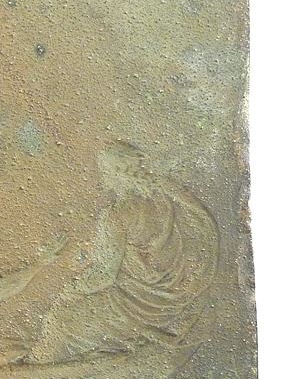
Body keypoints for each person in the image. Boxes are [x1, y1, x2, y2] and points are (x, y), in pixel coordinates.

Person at [27, 142, 219, 364]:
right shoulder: (163, 201)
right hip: (170, 303)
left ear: (117, 173)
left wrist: (72, 289)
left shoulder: (117, 215)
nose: (102, 176)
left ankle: (41, 367)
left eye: (105, 170)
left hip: (134, 306)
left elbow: (104, 275)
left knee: (60, 319)